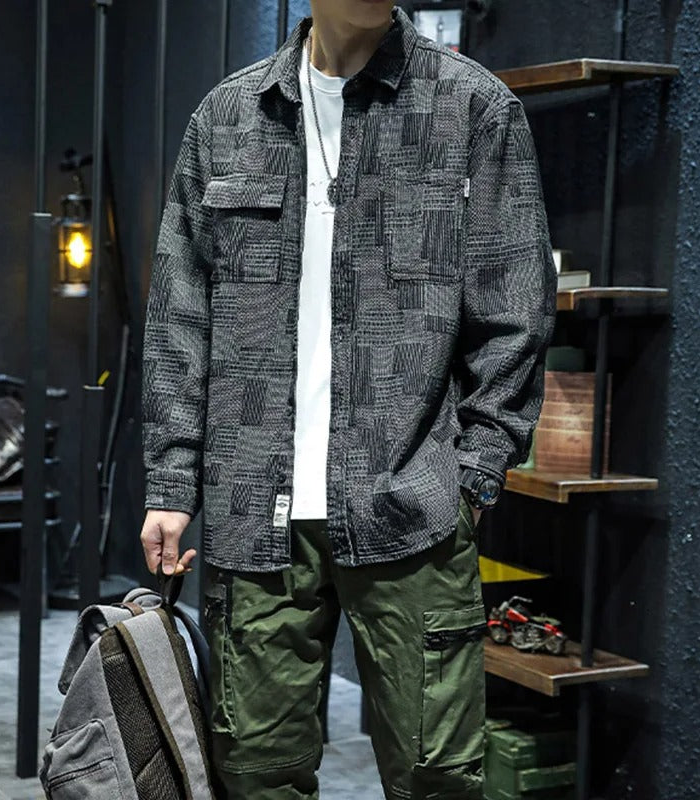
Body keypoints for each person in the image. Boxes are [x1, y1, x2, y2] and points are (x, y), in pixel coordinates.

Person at [140, 2, 556, 797]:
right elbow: (180, 316)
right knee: (256, 775)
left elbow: (516, 309)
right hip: (253, 507)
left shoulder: (472, 107)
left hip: (413, 505)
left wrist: (474, 474)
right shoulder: (227, 117)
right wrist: (171, 481)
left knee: (439, 778)